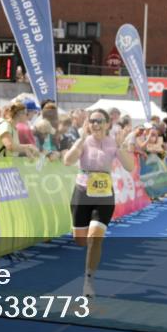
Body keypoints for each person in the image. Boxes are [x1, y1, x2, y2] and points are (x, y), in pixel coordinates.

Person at [62, 108, 135, 298]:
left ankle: (88, 281)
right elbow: (67, 161)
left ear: (107, 124)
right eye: (92, 121)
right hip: (82, 193)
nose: (95, 124)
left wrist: (120, 147)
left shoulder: (113, 143)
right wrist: (79, 141)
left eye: (99, 121)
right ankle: (86, 251)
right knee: (80, 241)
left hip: (104, 196)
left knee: (95, 238)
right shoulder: (83, 141)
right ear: (88, 123)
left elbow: (130, 166)